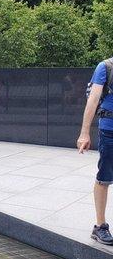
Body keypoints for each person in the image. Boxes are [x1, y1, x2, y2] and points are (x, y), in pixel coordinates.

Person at [78, 59, 113, 245]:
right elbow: (93, 100)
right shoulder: (106, 67)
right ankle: (100, 226)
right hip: (110, 130)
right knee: (105, 177)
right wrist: (84, 133)